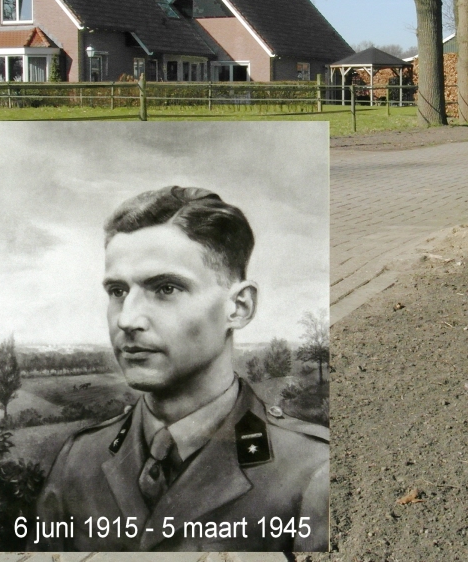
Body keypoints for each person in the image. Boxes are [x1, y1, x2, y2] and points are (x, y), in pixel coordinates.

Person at [31, 186, 328, 553]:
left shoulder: (311, 471)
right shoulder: (79, 459)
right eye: (118, 291)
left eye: (166, 288)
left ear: (238, 307)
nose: (128, 319)